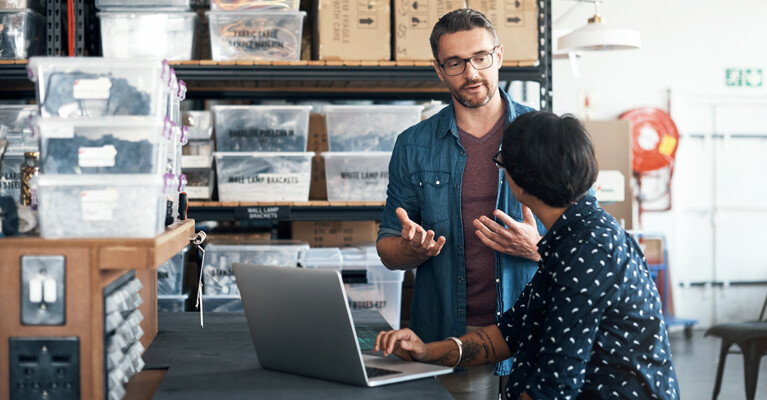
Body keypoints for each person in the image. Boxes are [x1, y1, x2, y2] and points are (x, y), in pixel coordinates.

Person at [375, 111, 680, 400]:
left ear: (519, 180)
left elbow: (553, 387)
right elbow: (511, 332)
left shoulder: (587, 251)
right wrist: (427, 352)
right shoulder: (571, 237)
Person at [376, 8, 545, 399]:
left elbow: (590, 241)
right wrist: (411, 249)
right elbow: (387, 248)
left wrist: (537, 248)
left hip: (536, 330)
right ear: (439, 70)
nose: (471, 73)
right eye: (455, 63)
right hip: (450, 339)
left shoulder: (543, 135)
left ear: (498, 56)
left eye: (480, 58)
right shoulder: (413, 145)